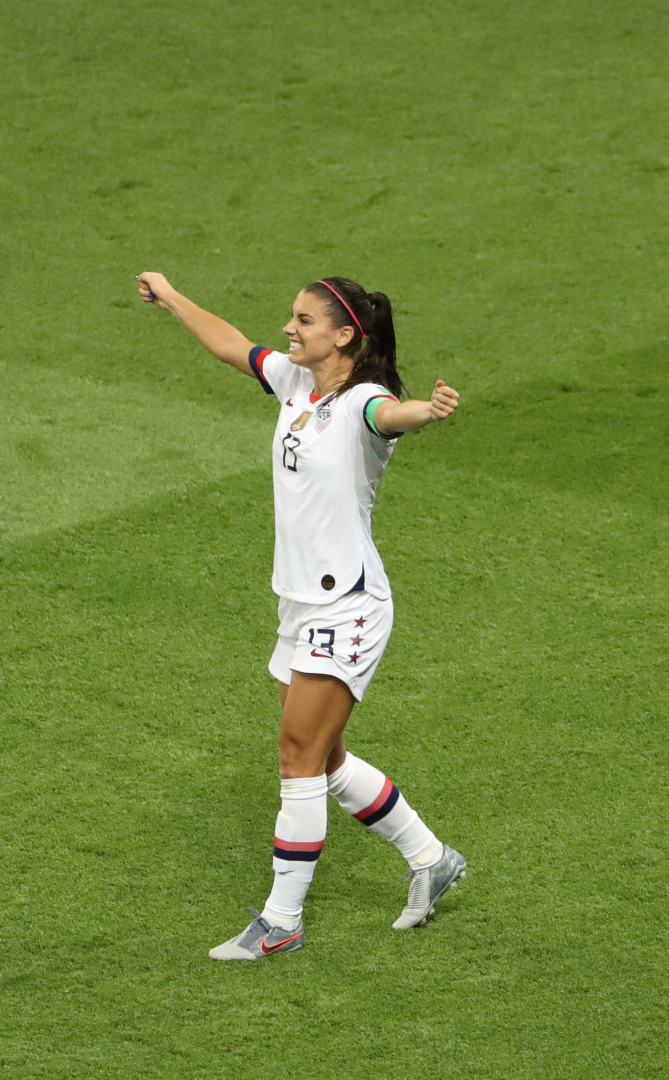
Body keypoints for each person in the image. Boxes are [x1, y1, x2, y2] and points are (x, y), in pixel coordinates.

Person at [135, 270, 465, 960]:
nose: (290, 329)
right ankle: (430, 857)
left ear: (344, 335)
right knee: (325, 754)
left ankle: (281, 920)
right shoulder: (293, 380)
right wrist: (171, 298)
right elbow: (232, 346)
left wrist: (424, 412)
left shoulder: (362, 401)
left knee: (296, 755)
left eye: (304, 321)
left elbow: (389, 415)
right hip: (300, 602)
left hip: (345, 605)